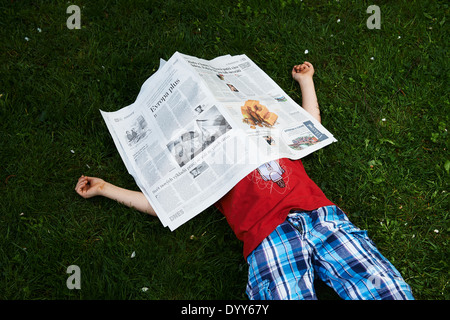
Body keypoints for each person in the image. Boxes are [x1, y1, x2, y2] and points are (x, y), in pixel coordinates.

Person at [75, 62, 414, 300]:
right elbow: (163, 203)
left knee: (381, 285)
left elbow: (311, 125)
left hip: (320, 216)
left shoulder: (259, 121)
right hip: (266, 235)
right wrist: (105, 188)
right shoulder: (197, 148)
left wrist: (306, 82)